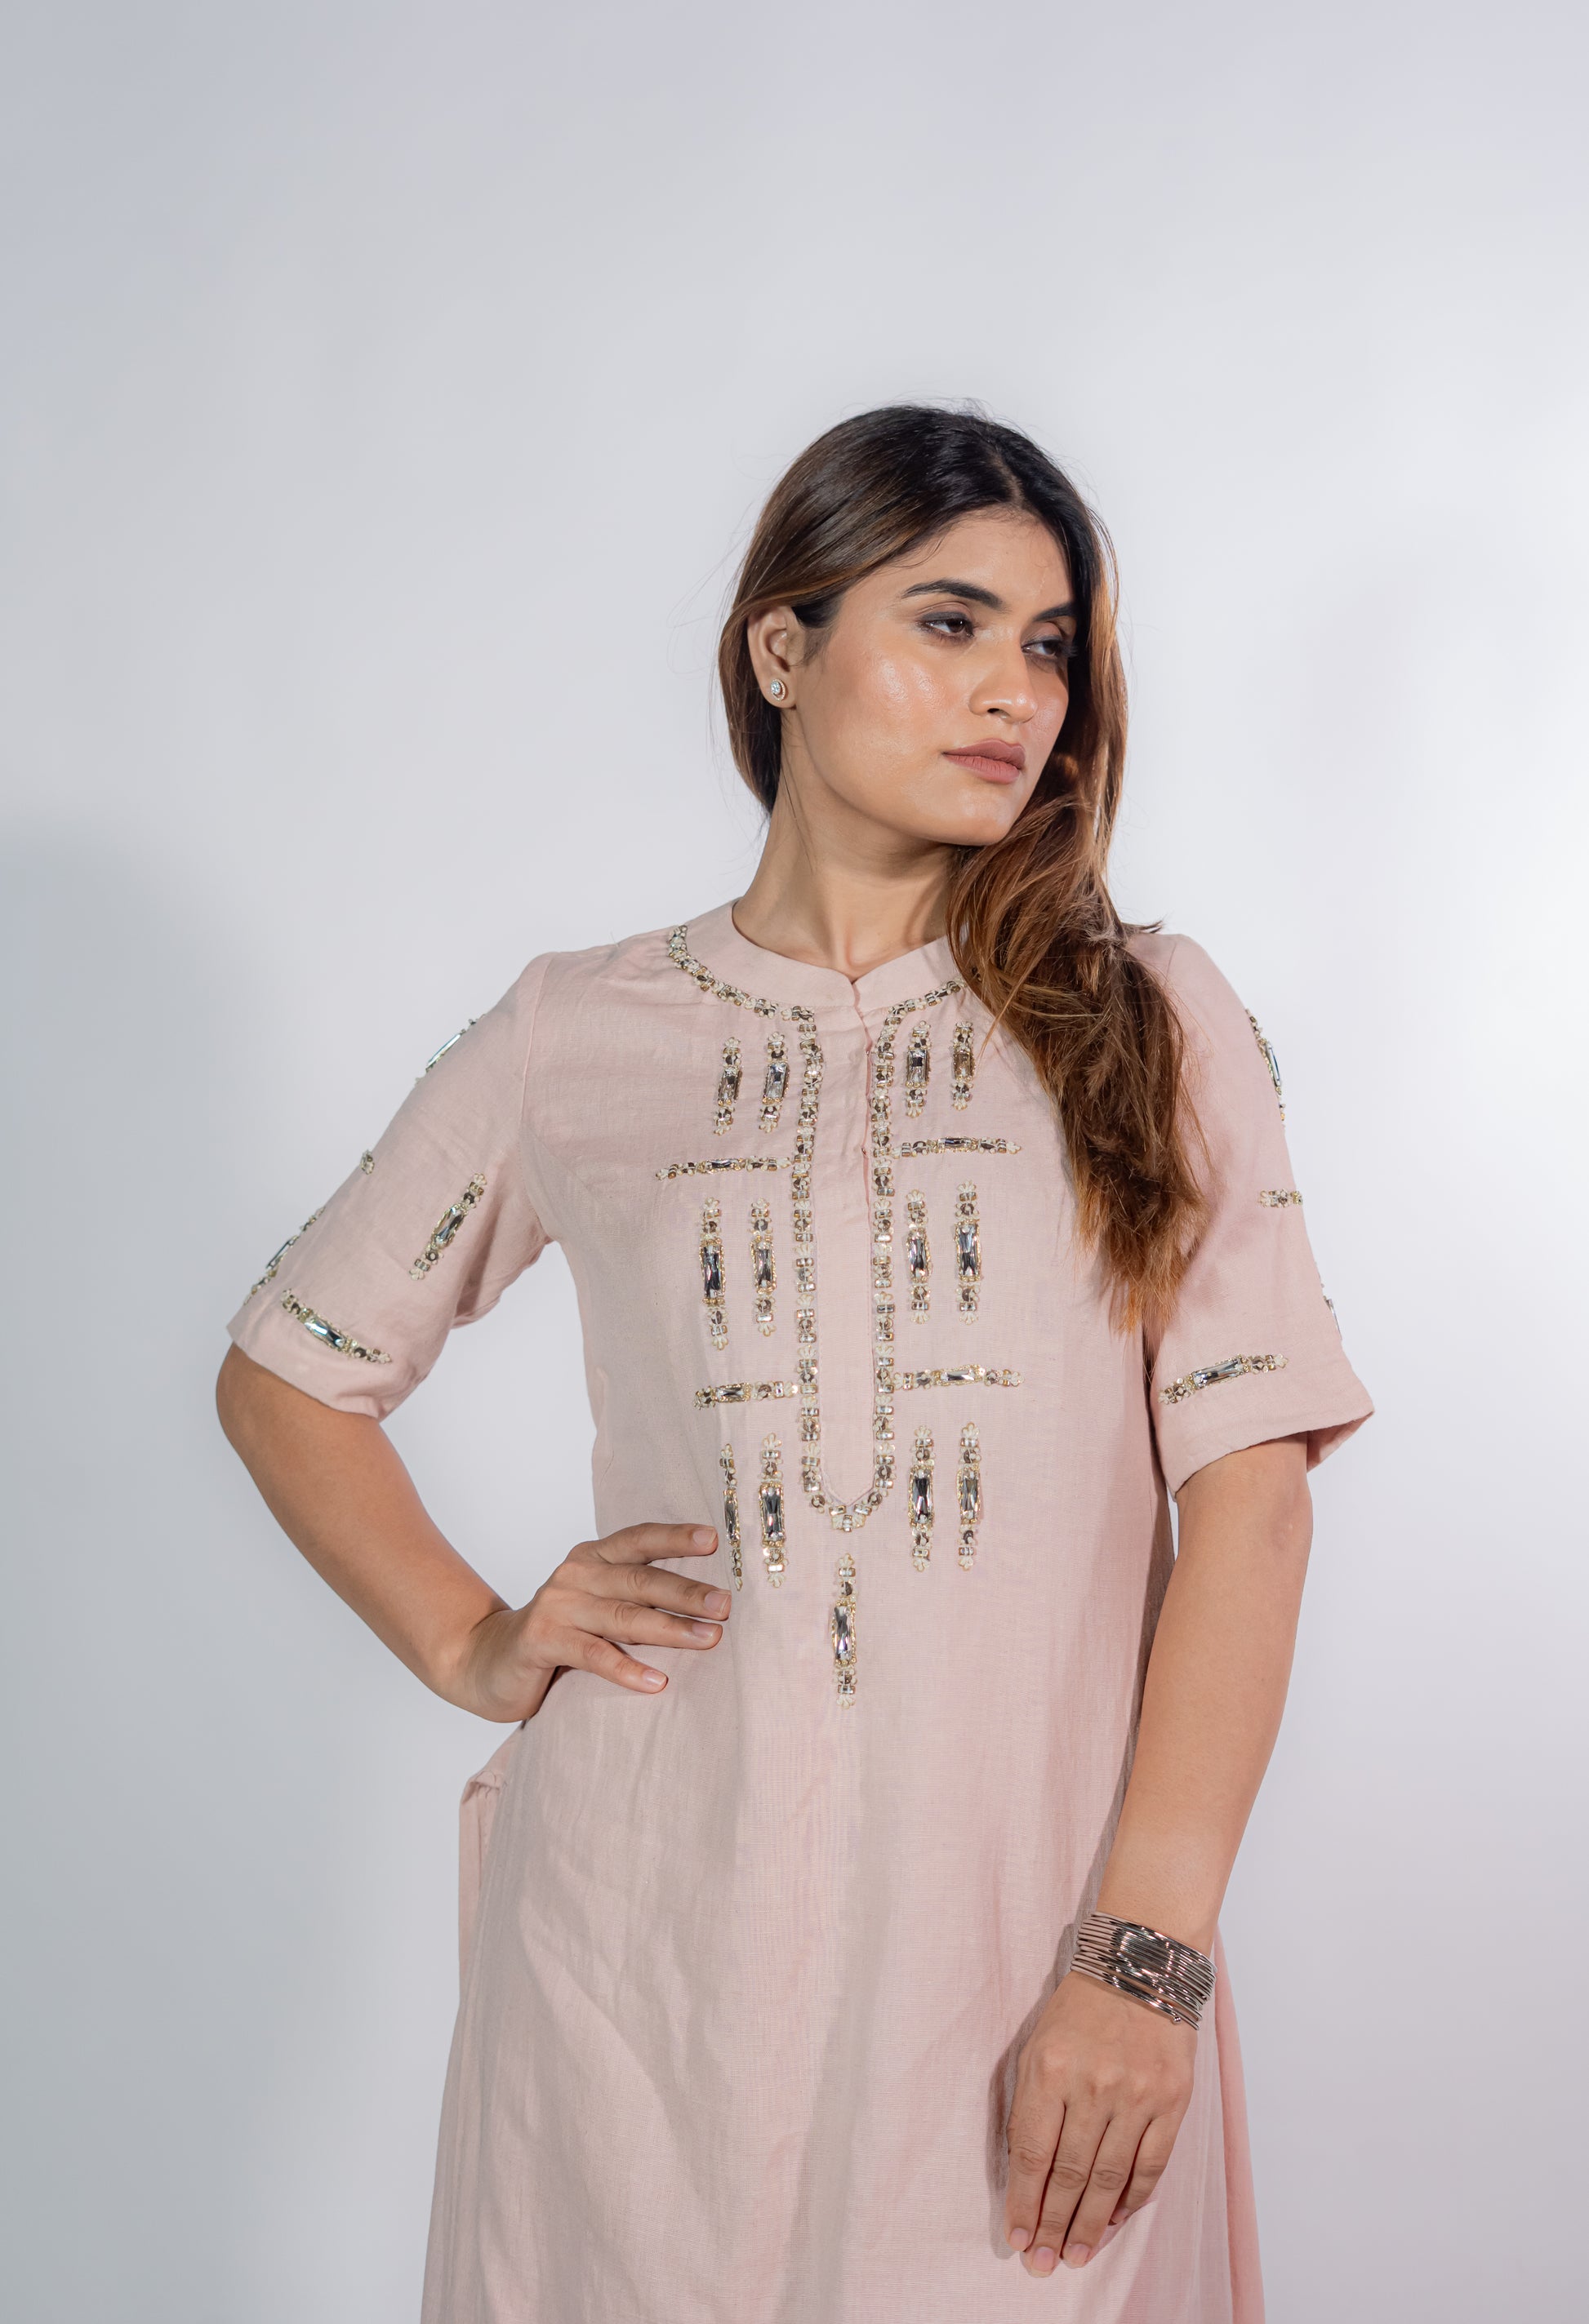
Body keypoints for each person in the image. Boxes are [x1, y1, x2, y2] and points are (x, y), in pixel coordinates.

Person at [217, 404, 1372, 2322]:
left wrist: (1144, 1953)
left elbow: (1249, 1503)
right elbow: (290, 1369)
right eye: (949, 622)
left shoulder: (1147, 1015)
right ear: (782, 645)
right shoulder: (578, 1030)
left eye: (1048, 647)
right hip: (641, 1968)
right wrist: (472, 1637)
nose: (1013, 692)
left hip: (1026, 1952)